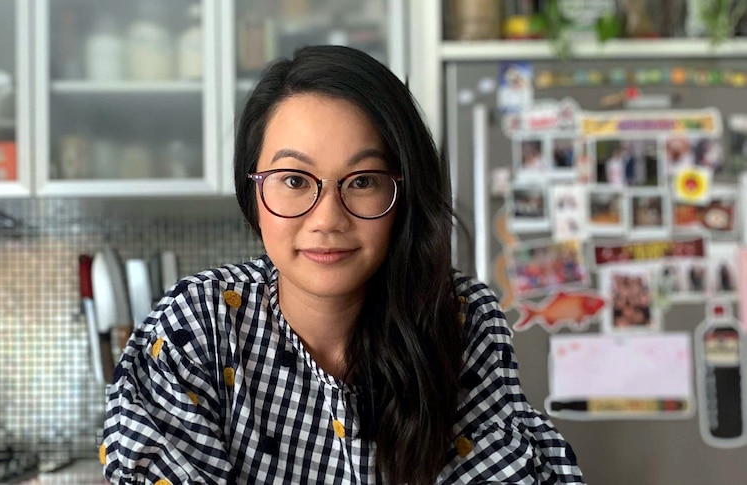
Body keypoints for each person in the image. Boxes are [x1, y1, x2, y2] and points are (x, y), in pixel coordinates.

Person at [100, 45, 584, 484]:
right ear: (252, 190)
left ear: (404, 193)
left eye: (362, 181)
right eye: (293, 180)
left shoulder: (460, 319)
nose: (327, 219)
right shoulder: (200, 323)